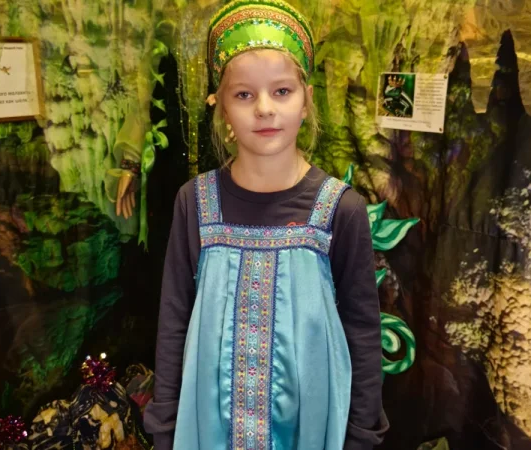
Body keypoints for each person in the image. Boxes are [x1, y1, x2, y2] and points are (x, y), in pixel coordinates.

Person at [143, 1, 388, 448]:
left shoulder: (341, 209)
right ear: (221, 107)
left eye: (281, 91)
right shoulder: (194, 203)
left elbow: (362, 332)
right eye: (243, 94)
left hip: (309, 430)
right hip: (209, 429)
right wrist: (164, 425)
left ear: (306, 100)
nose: (264, 109)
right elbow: (174, 319)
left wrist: (359, 435)